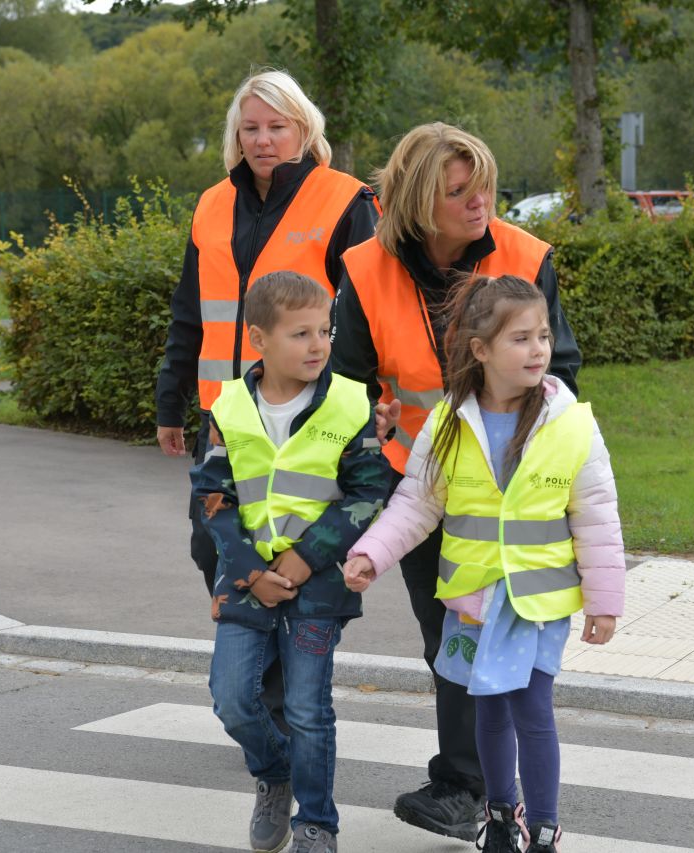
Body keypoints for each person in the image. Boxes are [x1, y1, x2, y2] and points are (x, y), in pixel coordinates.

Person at [329, 122, 582, 840]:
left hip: (511, 489)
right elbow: (347, 388)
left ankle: (474, 788)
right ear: (416, 201)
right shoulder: (366, 267)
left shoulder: (524, 256)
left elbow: (558, 369)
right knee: (451, 635)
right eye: (459, 193)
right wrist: (362, 450)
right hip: (421, 479)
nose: (481, 205)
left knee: (490, 636)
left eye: (486, 188)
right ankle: (471, 786)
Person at [342, 274, 623, 853]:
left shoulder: (571, 424)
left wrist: (605, 603)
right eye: (520, 338)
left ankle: (543, 826)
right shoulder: (448, 422)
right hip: (473, 598)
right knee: (487, 706)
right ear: (481, 350)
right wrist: (373, 552)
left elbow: (598, 518)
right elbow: (417, 502)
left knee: (531, 708)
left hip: (537, 602)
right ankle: (499, 814)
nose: (538, 349)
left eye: (543, 336)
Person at [155, 69, 380, 597]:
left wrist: (365, 404)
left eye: (276, 127)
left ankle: (277, 673)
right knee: (211, 545)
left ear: (304, 130)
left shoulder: (346, 202)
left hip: (306, 414)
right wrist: (171, 402)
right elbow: (189, 312)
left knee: (297, 549)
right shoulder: (211, 205)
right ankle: (254, 668)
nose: (262, 140)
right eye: (249, 128)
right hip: (225, 413)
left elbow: (362, 320)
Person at [192, 271, 390, 853]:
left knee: (307, 708)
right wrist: (253, 570)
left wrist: (305, 561)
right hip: (246, 581)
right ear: (259, 340)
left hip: (320, 584)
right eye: (300, 333)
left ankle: (317, 824)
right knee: (231, 699)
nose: (318, 345)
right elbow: (211, 498)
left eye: (324, 331)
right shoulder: (227, 407)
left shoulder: (351, 402)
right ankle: (273, 773)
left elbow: (368, 493)